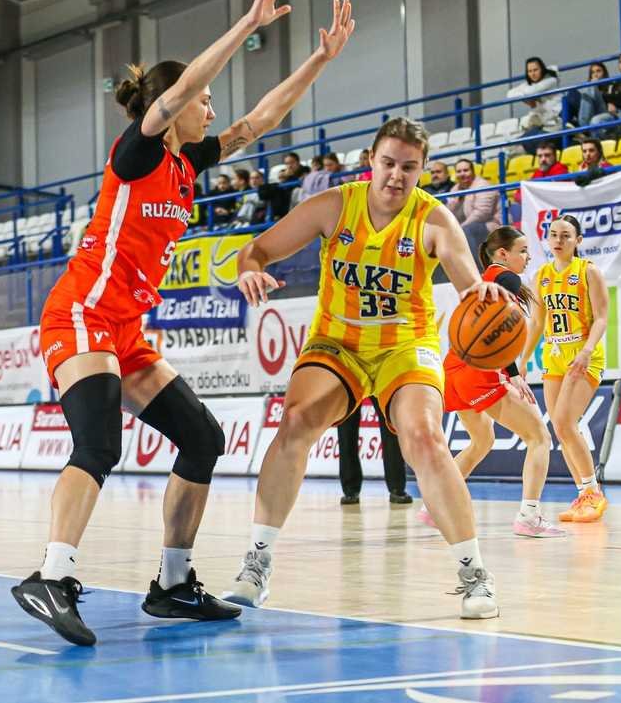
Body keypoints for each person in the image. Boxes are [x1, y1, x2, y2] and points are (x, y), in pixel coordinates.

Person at [9, 0, 352, 646]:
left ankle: (171, 583)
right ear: (173, 105)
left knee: (203, 438)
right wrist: (248, 23)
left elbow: (260, 120)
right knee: (98, 443)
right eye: (204, 101)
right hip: (82, 312)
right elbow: (189, 85)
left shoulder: (186, 164)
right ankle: (52, 575)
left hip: (125, 329)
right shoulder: (136, 153)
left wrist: (319, 59)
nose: (212, 111)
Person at [223, 116, 507, 620]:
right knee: (296, 420)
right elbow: (257, 250)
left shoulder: (434, 219)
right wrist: (250, 269)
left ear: (423, 169)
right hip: (339, 341)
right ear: (370, 161)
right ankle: (257, 563)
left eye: (409, 167)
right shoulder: (335, 205)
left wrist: (482, 294)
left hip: (405, 343)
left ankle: (474, 574)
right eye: (388, 163)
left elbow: (469, 285)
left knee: (425, 437)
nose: (397, 175)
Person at [417, 226, 564, 537]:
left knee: (482, 441)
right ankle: (529, 516)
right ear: (502, 254)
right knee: (539, 437)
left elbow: (484, 328)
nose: (528, 257)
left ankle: (435, 505)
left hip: (454, 368)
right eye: (522, 251)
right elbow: (498, 328)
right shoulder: (507, 279)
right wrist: (513, 373)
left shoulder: (483, 280)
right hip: (479, 372)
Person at [523, 215, 609, 523]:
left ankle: (594, 493)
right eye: (553, 234)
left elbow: (602, 317)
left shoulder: (588, 271)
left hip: (583, 354)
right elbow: (537, 322)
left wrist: (587, 350)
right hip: (555, 355)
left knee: (564, 422)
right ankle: (583, 495)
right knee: (560, 429)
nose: (558, 240)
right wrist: (522, 360)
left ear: (578, 241)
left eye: (566, 235)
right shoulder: (541, 275)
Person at [338, 398, 411, 505]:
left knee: (389, 425)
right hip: (353, 386)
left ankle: (397, 488)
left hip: (380, 386)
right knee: (346, 431)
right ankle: (350, 491)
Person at [506, 57, 561, 153]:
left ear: (542, 69)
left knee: (519, 145)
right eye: (529, 71)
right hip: (542, 124)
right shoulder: (529, 85)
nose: (532, 74)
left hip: (555, 123)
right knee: (511, 146)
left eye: (535, 70)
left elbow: (531, 92)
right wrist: (525, 96)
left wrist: (524, 96)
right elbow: (509, 94)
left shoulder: (551, 80)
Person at [574, 61, 610, 126]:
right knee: (571, 93)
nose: (595, 75)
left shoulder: (611, 86)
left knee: (591, 86)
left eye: (598, 71)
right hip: (590, 114)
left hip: (603, 113)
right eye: (593, 72)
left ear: (604, 73)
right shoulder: (589, 89)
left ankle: (583, 126)